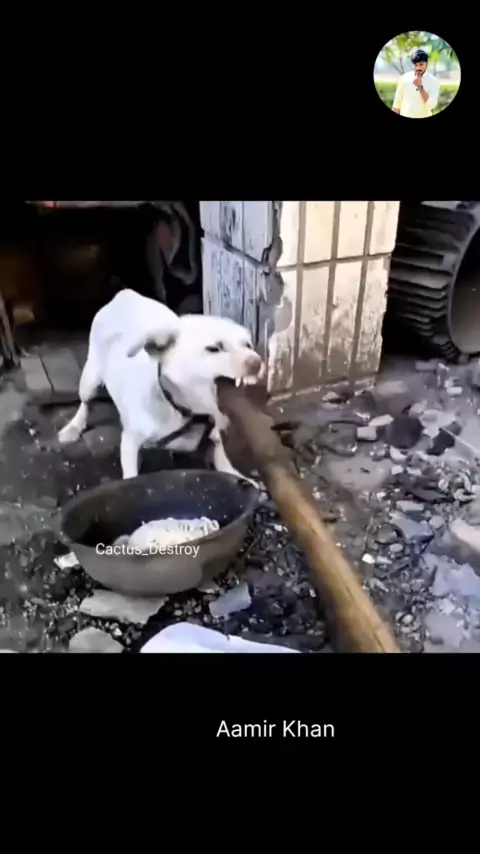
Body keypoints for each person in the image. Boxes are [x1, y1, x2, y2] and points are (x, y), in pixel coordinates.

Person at [392, 49, 440, 118]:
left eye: (421, 64)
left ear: (426, 64)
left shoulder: (433, 81)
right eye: (415, 64)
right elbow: (397, 104)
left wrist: (420, 86)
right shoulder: (404, 78)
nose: (418, 68)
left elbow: (431, 105)